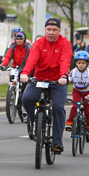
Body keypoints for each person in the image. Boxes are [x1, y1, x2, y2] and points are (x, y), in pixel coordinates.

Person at [20, 16, 72, 154]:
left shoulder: (65, 43)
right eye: (48, 29)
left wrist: (63, 76)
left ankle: (57, 142)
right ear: (45, 30)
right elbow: (31, 60)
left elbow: (65, 60)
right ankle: (35, 123)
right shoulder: (38, 44)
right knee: (26, 98)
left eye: (54, 30)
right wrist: (25, 73)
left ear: (59, 31)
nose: (51, 32)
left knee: (58, 107)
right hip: (39, 79)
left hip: (57, 81)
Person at [66, 50, 89, 136]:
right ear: (75, 63)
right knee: (75, 106)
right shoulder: (73, 71)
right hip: (77, 91)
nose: (81, 65)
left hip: (87, 91)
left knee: (88, 111)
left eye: (83, 63)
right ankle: (70, 122)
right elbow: (68, 81)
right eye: (79, 63)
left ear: (87, 63)